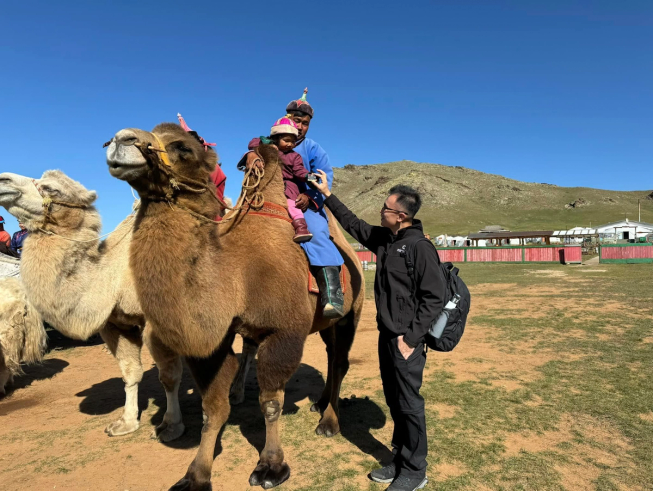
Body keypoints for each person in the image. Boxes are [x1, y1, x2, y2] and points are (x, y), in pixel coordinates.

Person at [311, 172, 446, 491]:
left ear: (401, 215)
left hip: (407, 342)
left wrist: (411, 339)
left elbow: (434, 297)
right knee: (396, 401)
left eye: (385, 208)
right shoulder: (387, 239)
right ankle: (400, 460)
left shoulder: (418, 248)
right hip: (388, 337)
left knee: (409, 404)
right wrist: (327, 195)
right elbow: (353, 223)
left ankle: (415, 471)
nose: (380, 211)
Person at [284, 88, 345, 317]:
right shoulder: (271, 141)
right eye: (295, 120)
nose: (299, 126)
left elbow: (323, 177)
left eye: (304, 123)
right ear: (286, 118)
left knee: (318, 232)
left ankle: (332, 295)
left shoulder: (312, 148)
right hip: (272, 197)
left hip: (304, 203)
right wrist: (252, 154)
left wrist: (310, 197)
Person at [243, 116, 313, 242]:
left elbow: (299, 171)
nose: (290, 144)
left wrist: (311, 177)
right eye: (286, 140)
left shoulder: (294, 156)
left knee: (292, 205)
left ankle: (301, 227)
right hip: (268, 184)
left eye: (293, 141)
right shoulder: (269, 148)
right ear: (276, 138)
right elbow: (252, 142)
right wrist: (267, 144)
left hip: (287, 186)